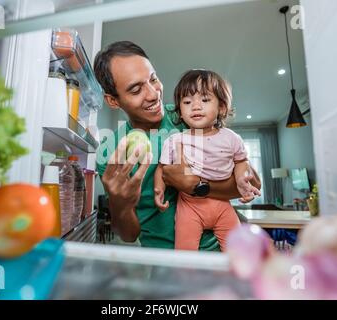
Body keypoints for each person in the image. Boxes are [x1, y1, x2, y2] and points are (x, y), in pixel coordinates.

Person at [93, 41, 261, 250]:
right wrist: (121, 205)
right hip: (165, 264)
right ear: (113, 101)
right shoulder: (110, 153)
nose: (153, 94)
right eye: (136, 90)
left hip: (219, 252)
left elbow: (253, 183)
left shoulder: (187, 116)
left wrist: (196, 186)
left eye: (153, 79)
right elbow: (128, 235)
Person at [154, 69, 260, 251]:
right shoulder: (175, 140)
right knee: (185, 256)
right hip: (189, 207)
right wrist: (158, 189)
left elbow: (241, 162)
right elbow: (162, 168)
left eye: (205, 100)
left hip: (223, 207)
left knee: (237, 254)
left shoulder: (231, 138)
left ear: (222, 107)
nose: (195, 106)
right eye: (187, 102)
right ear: (180, 112)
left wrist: (243, 181)